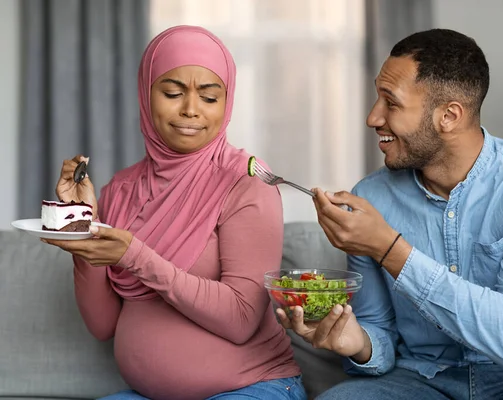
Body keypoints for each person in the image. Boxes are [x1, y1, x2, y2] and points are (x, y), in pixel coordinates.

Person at [278, 29, 503, 400]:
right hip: (421, 380)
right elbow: (379, 340)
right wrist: (358, 342)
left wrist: (390, 249)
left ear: (449, 115)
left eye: (390, 103)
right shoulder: (371, 197)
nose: (372, 117)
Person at [43, 25, 307, 400]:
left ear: (227, 104)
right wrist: (81, 228)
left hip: (251, 388)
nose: (190, 110)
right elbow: (102, 325)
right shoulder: (119, 189)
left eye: (210, 98)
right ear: (145, 94)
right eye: (172, 92)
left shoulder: (245, 182)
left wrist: (133, 255)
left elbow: (241, 319)